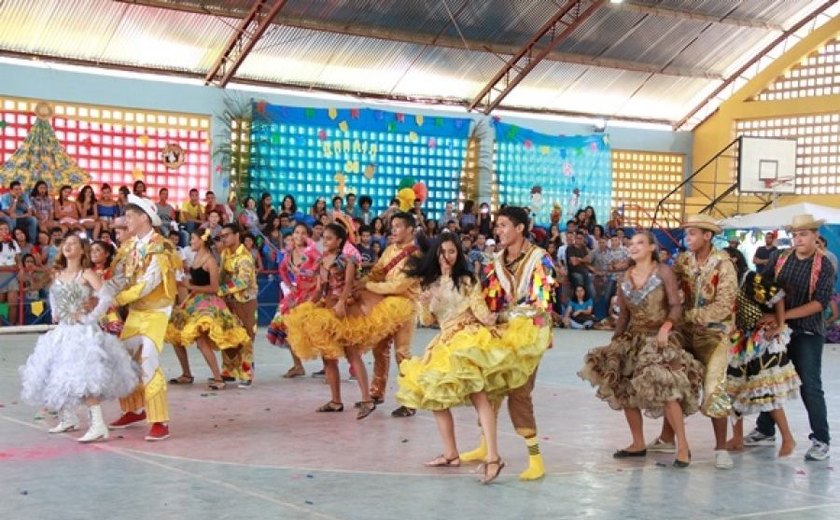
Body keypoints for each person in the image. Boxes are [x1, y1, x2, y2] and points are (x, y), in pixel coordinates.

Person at [396, 234, 547, 483]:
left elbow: (482, 313)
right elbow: (427, 321)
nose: (448, 256)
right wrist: (424, 303)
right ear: (435, 253)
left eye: (452, 251)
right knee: (434, 398)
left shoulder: (466, 280)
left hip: (468, 339)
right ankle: (451, 453)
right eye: (443, 251)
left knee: (479, 395)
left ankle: (493, 457)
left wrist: (510, 318)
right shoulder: (428, 284)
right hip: (444, 343)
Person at [579, 231, 703, 467]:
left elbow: (676, 306)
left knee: (667, 391)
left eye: (639, 243)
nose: (633, 247)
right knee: (625, 390)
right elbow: (624, 314)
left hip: (660, 338)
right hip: (633, 337)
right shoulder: (624, 276)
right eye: (630, 243)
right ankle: (637, 443)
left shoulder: (663, 272)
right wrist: (616, 341)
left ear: (651, 248)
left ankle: (683, 447)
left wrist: (666, 327)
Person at [460, 206, 554, 481]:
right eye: (497, 226)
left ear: (520, 228)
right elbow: (487, 295)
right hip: (501, 330)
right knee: (487, 383)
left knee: (519, 390)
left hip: (529, 334)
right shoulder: (496, 261)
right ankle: (484, 446)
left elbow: (540, 304)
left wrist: (501, 315)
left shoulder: (540, 259)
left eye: (502, 225)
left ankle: (536, 458)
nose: (497, 231)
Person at [284, 223, 413, 419]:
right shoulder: (321, 260)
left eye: (328, 238)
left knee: (352, 352)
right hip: (327, 306)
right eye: (323, 238)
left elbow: (349, 285)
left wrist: (342, 303)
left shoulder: (347, 260)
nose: (324, 242)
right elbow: (320, 288)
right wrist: (306, 304)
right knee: (328, 355)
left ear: (339, 241)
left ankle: (367, 399)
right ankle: (336, 401)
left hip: (345, 309)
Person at [19, 233, 138, 442]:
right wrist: (56, 313)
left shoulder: (86, 274)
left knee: (84, 376)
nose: (68, 246)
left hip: (82, 332)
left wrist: (90, 316)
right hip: (63, 330)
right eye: (66, 243)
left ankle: (98, 424)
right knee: (58, 371)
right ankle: (68, 417)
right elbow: (54, 296)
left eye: (73, 243)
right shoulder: (57, 275)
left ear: (81, 250)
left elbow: (106, 296)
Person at [649, 214, 739, 470]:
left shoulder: (724, 264)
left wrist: (689, 316)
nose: (687, 238)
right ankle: (668, 438)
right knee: (674, 381)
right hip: (686, 332)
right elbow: (667, 280)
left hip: (715, 335)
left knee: (714, 389)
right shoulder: (684, 260)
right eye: (686, 234)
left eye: (692, 234)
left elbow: (724, 305)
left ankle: (721, 448)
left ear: (707, 236)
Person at [744, 214, 835, 462]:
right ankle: (766, 429)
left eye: (804, 234)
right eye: (795, 234)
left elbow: (819, 303)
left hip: (807, 331)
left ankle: (821, 439)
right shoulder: (780, 257)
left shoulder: (824, 264)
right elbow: (764, 286)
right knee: (769, 376)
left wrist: (782, 318)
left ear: (816, 235)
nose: (798, 239)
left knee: (810, 385)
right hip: (777, 329)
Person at [101, 194, 182, 441]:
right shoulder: (130, 246)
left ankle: (160, 421)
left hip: (156, 313)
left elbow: (148, 284)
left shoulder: (161, 247)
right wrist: (102, 293)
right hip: (137, 311)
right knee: (122, 360)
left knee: (148, 362)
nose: (125, 220)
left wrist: (116, 299)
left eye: (129, 216)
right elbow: (121, 278)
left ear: (144, 218)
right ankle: (133, 409)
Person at [726, 270, 801, 457]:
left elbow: (777, 296)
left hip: (761, 340)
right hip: (740, 341)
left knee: (767, 390)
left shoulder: (749, 278)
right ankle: (737, 438)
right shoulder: (722, 284)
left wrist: (780, 324)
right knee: (732, 389)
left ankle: (788, 438)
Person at [166, 229, 250, 390]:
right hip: (194, 300)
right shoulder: (197, 257)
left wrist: (190, 285)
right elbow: (194, 279)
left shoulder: (210, 261)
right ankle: (186, 373)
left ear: (201, 241)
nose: (190, 242)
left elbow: (214, 287)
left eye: (193, 239)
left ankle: (218, 378)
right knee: (175, 334)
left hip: (208, 302)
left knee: (201, 340)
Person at [361, 212, 421, 416]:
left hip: (406, 306)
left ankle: (410, 400)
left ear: (410, 229)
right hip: (387, 306)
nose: (393, 230)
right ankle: (376, 393)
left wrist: (370, 286)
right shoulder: (388, 250)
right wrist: (358, 283)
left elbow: (399, 285)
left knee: (402, 353)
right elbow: (377, 271)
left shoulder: (417, 255)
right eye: (392, 226)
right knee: (379, 349)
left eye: (398, 226)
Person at [266, 223, 320, 378]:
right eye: (297, 232)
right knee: (287, 326)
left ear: (307, 236)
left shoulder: (313, 252)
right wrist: (290, 285)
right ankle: (298, 365)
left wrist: (304, 273)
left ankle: (327, 366)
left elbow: (321, 270)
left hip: (313, 294)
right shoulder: (289, 254)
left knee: (316, 330)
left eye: (303, 233)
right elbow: (282, 270)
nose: (299, 235)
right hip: (297, 294)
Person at [217, 223, 258, 388]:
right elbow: (221, 274)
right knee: (228, 334)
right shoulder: (225, 254)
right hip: (228, 301)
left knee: (245, 338)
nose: (224, 239)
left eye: (226, 235)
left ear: (236, 235)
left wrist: (219, 290)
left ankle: (247, 374)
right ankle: (228, 371)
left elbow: (243, 282)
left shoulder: (245, 257)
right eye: (222, 236)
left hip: (245, 302)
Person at [0, 221, 21, 326]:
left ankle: (11, 325)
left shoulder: (13, 242)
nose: (4, 231)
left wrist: (20, 268)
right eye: (1, 229)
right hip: (0, 275)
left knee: (13, 302)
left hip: (12, 275)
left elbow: (18, 259)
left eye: (6, 229)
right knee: (1, 302)